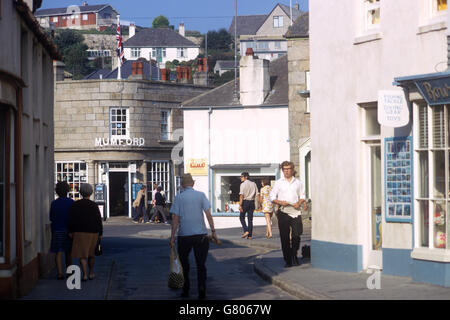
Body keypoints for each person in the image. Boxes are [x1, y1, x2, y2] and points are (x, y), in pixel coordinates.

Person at [170, 173, 218, 300]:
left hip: (184, 235)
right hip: (200, 235)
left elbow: (175, 219)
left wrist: (172, 237)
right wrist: (213, 231)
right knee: (201, 264)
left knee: (185, 265)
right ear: (193, 183)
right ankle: (202, 290)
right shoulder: (201, 195)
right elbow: (208, 214)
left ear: (182, 185)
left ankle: (186, 290)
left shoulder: (179, 198)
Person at [269, 161, 307, 268]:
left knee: (297, 235)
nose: (287, 171)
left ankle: (294, 255)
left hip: (295, 211)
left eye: (289, 169)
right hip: (283, 211)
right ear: (282, 170)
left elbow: (302, 195)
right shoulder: (278, 183)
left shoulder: (298, 182)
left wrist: (299, 203)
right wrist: (281, 202)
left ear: (292, 169)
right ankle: (288, 260)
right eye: (285, 169)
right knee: (284, 236)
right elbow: (272, 197)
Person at [67, 183, 103, 281]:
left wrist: (70, 231)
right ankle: (91, 272)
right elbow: (98, 220)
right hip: (93, 232)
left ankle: (85, 275)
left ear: (81, 192)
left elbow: (71, 219)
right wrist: (100, 233)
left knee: (82, 255)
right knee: (91, 254)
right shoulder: (94, 205)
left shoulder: (75, 205)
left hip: (79, 232)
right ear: (90, 193)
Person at [49, 181, 74, 280]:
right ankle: (69, 272)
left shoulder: (54, 203)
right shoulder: (71, 202)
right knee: (68, 252)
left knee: (58, 252)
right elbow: (73, 218)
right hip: (68, 230)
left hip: (57, 229)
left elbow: (51, 217)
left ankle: (59, 273)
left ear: (57, 191)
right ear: (67, 190)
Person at [239, 172, 258, 240]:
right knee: (250, 219)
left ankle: (246, 230)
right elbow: (257, 195)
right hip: (252, 202)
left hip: (245, 202)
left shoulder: (243, 184)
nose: (240, 178)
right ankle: (250, 236)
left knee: (241, 217)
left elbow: (241, 195)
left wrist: (240, 205)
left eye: (242, 176)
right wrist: (257, 204)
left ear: (246, 177)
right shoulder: (254, 184)